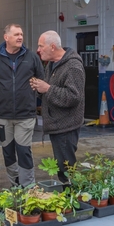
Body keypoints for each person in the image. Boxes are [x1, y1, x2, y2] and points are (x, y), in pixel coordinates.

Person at [0, 24, 44, 187]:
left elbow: (41, 80)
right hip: (3, 117)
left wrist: (31, 98)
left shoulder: (31, 58)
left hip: (26, 115)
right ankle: (15, 185)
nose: (20, 37)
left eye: (21, 34)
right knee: (8, 152)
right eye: (16, 34)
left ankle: (28, 187)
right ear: (6, 37)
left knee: (24, 151)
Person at [31, 30, 85, 183]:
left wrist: (47, 88)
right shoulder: (52, 65)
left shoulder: (72, 66)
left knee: (67, 169)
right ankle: (69, 198)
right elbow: (50, 92)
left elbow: (74, 97)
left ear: (52, 47)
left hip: (66, 126)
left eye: (41, 46)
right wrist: (39, 88)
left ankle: (72, 200)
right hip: (57, 124)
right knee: (63, 167)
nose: (38, 50)